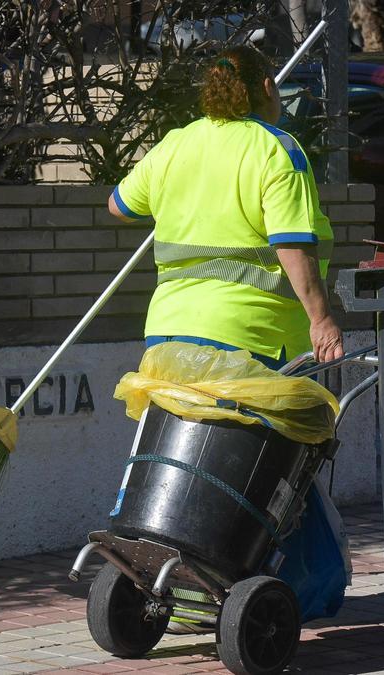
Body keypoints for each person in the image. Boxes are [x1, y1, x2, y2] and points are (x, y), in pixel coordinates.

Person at [107, 45, 350, 623]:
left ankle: (185, 580)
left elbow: (118, 204)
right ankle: (303, 590)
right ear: (268, 85)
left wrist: (182, 199)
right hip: (249, 341)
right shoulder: (276, 150)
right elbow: (291, 242)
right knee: (276, 465)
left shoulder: (176, 144)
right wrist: (321, 317)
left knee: (192, 463)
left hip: (168, 337)